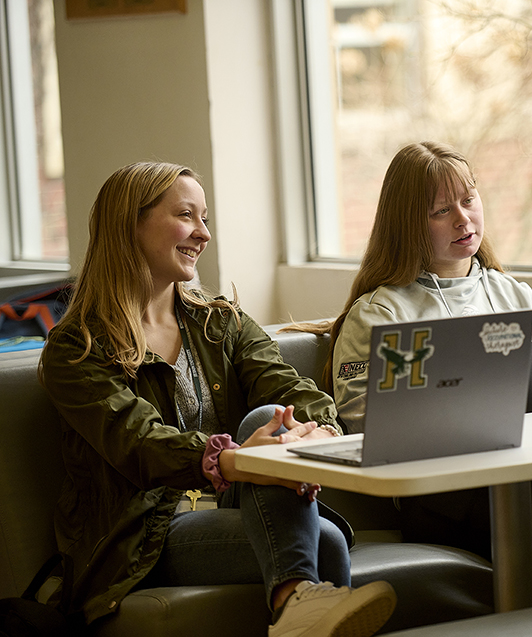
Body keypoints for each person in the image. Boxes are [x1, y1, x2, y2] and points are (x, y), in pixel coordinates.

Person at [39, 162, 396, 637]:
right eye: (186, 215)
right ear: (130, 223)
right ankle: (296, 603)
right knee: (326, 541)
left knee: (272, 416)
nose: (203, 234)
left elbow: (290, 389)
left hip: (232, 507)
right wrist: (237, 462)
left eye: (205, 218)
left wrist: (320, 431)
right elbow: (138, 442)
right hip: (143, 536)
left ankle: (297, 608)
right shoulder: (77, 348)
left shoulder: (219, 322)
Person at [291, 141, 532, 605]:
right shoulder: (382, 311)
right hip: (439, 492)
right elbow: (366, 422)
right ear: (407, 223)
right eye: (440, 211)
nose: (462, 220)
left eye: (468, 201)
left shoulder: (512, 293)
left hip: (521, 463)